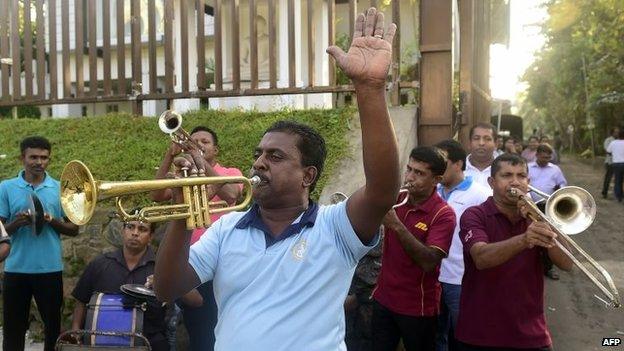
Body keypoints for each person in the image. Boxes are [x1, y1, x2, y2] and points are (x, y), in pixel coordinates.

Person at [154, 7, 400, 351]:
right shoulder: (226, 229)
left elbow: (382, 191)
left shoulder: (335, 228)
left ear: (308, 176)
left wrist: (370, 89)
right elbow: (167, 288)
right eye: (258, 154)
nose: (259, 163)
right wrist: (182, 216)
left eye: (275, 156)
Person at [456, 154, 573, 350]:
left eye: (521, 176)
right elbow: (481, 258)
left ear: (528, 182)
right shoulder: (475, 215)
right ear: (491, 182)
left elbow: (566, 263)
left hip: (531, 334)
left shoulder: (537, 217)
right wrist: (525, 239)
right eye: (507, 175)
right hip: (479, 334)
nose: (515, 182)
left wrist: (543, 220)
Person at [151, 125, 243, 351]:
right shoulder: (185, 173)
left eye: (204, 142)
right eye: (194, 141)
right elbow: (156, 194)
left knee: (223, 326)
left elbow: (231, 195)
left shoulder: (230, 172)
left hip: (224, 261)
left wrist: (200, 164)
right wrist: (170, 155)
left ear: (216, 149)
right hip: (191, 264)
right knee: (198, 331)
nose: (199, 145)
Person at [372, 146, 456, 351]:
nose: (410, 177)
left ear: (437, 179)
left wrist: (396, 226)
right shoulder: (398, 198)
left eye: (419, 173)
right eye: (409, 169)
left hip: (417, 307)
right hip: (383, 298)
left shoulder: (444, 214)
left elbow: (429, 261)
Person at [0, 136, 79, 351]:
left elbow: (74, 229)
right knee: (13, 330)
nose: (39, 162)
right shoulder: (6, 187)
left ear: (49, 160)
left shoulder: (61, 188)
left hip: (50, 269)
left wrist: (51, 220)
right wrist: (18, 222)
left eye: (44, 158)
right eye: (33, 157)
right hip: (16, 270)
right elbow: (1, 230)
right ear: (22, 158)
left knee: (53, 328)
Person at [70, 216, 169, 350]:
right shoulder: (99, 264)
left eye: (142, 229)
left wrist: (164, 281)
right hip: (104, 340)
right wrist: (76, 331)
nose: (135, 233)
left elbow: (185, 303)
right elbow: (81, 301)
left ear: (151, 237)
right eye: (130, 227)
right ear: (123, 231)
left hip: (149, 341)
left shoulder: (161, 268)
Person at [434, 140, 491, 351]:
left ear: (458, 164)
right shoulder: (431, 192)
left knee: (464, 337)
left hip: (461, 280)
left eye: (443, 163)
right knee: (436, 336)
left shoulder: (481, 195)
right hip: (431, 279)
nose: (436, 169)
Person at [528, 143, 567, 280]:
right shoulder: (527, 167)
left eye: (548, 157)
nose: (546, 160)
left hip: (548, 207)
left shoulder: (555, 169)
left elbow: (563, 185)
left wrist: (560, 189)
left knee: (549, 237)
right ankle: (529, 267)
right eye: (543, 157)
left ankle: (548, 268)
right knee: (531, 236)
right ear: (537, 155)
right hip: (530, 206)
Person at [465, 123, 497, 188]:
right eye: (476, 138)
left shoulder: (504, 170)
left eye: (487, 139)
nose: (481, 143)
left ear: (496, 144)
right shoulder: (458, 169)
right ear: (469, 143)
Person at [602, 127, 620, 199]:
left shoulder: (620, 141)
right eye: (616, 132)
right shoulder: (608, 140)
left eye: (618, 132)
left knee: (618, 179)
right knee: (608, 178)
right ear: (612, 133)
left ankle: (618, 194)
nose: (617, 133)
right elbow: (607, 150)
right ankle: (604, 192)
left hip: (618, 162)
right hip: (610, 162)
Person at [606, 129, 624, 202]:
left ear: (618, 135)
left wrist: (615, 154)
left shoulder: (613, 143)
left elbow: (608, 152)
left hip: (616, 164)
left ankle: (619, 196)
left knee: (618, 180)